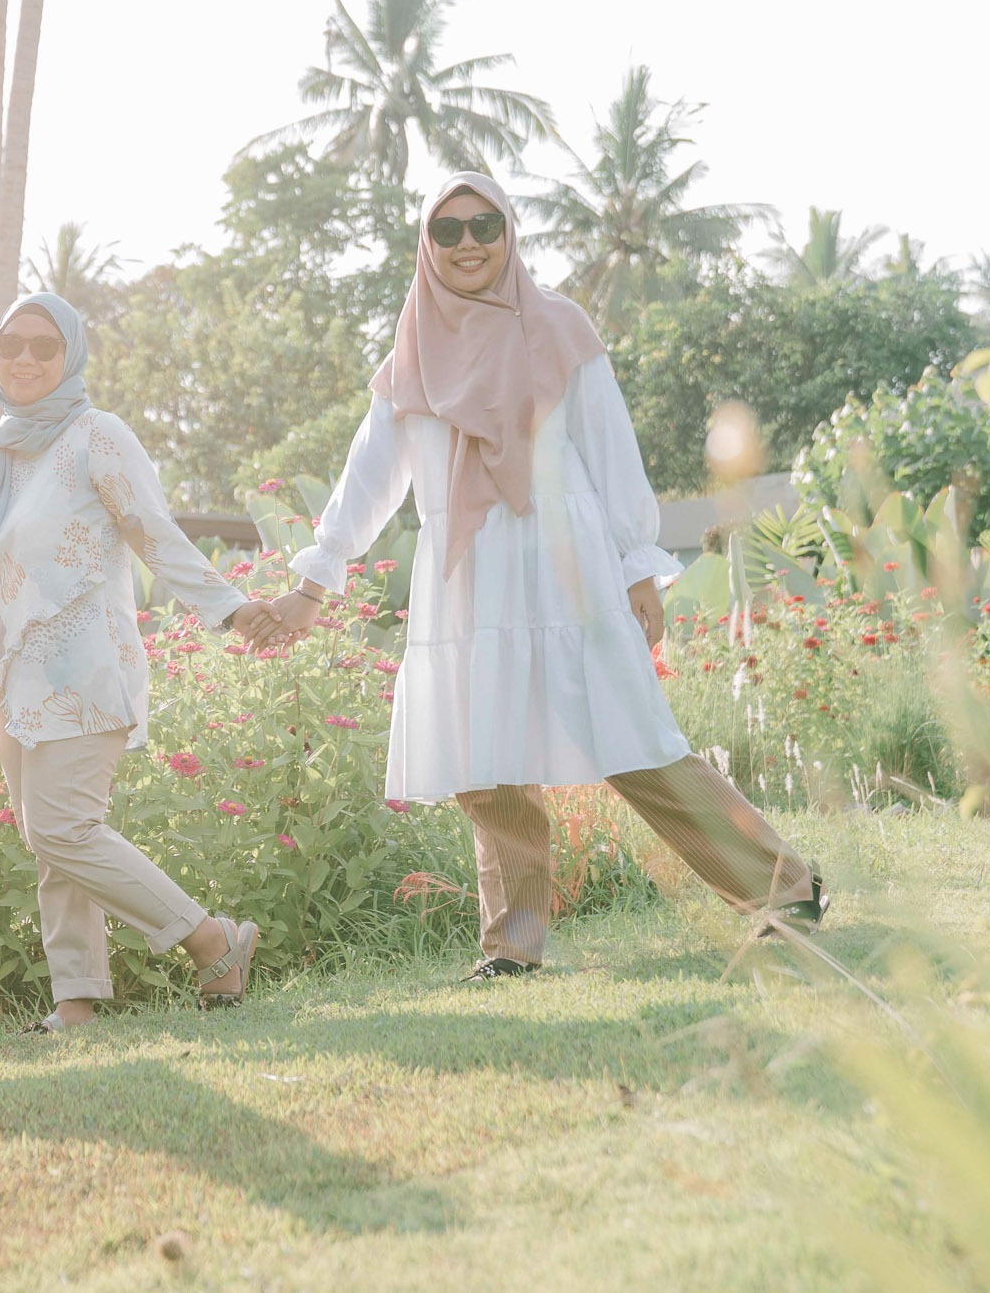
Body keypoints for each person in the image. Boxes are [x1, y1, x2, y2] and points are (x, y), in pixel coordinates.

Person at [269, 174, 827, 980]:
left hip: (566, 564)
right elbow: (368, 478)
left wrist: (638, 563)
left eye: (484, 226)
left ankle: (786, 887)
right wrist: (315, 578)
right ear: (427, 245)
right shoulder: (411, 353)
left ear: (510, 232)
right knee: (484, 765)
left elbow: (608, 445)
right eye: (449, 230)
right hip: (467, 575)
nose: (468, 244)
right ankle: (514, 944)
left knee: (635, 740)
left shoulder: (559, 326)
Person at [0, 293, 285, 1032]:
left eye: (43, 346)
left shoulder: (97, 436)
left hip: (87, 668)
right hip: (13, 677)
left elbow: (157, 533)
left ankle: (213, 939)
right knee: (51, 842)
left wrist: (231, 607)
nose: (24, 358)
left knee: (62, 827)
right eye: (10, 343)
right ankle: (77, 1001)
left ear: (71, 357)